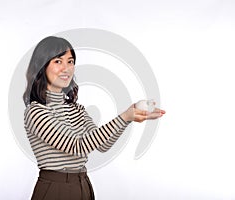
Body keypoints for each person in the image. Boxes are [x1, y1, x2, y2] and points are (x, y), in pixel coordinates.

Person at [23, 36, 165, 200]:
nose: (67, 68)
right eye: (58, 61)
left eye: (70, 61)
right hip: (55, 189)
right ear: (41, 66)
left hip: (82, 185)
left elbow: (103, 145)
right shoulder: (36, 112)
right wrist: (123, 116)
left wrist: (128, 118)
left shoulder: (77, 109)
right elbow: (77, 146)